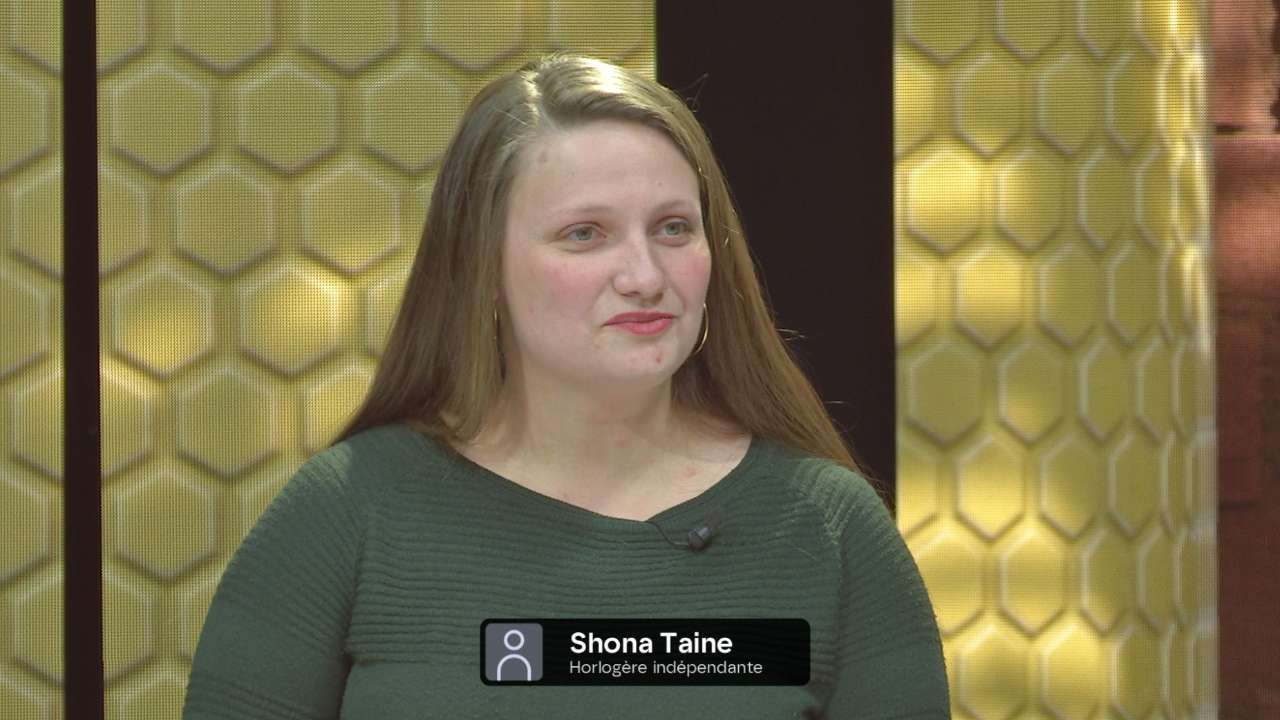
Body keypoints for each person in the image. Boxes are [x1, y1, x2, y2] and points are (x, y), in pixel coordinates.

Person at [183, 54, 950, 719]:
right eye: (586, 234)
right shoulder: (345, 513)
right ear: (482, 268)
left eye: (674, 228)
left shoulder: (831, 531)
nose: (644, 275)